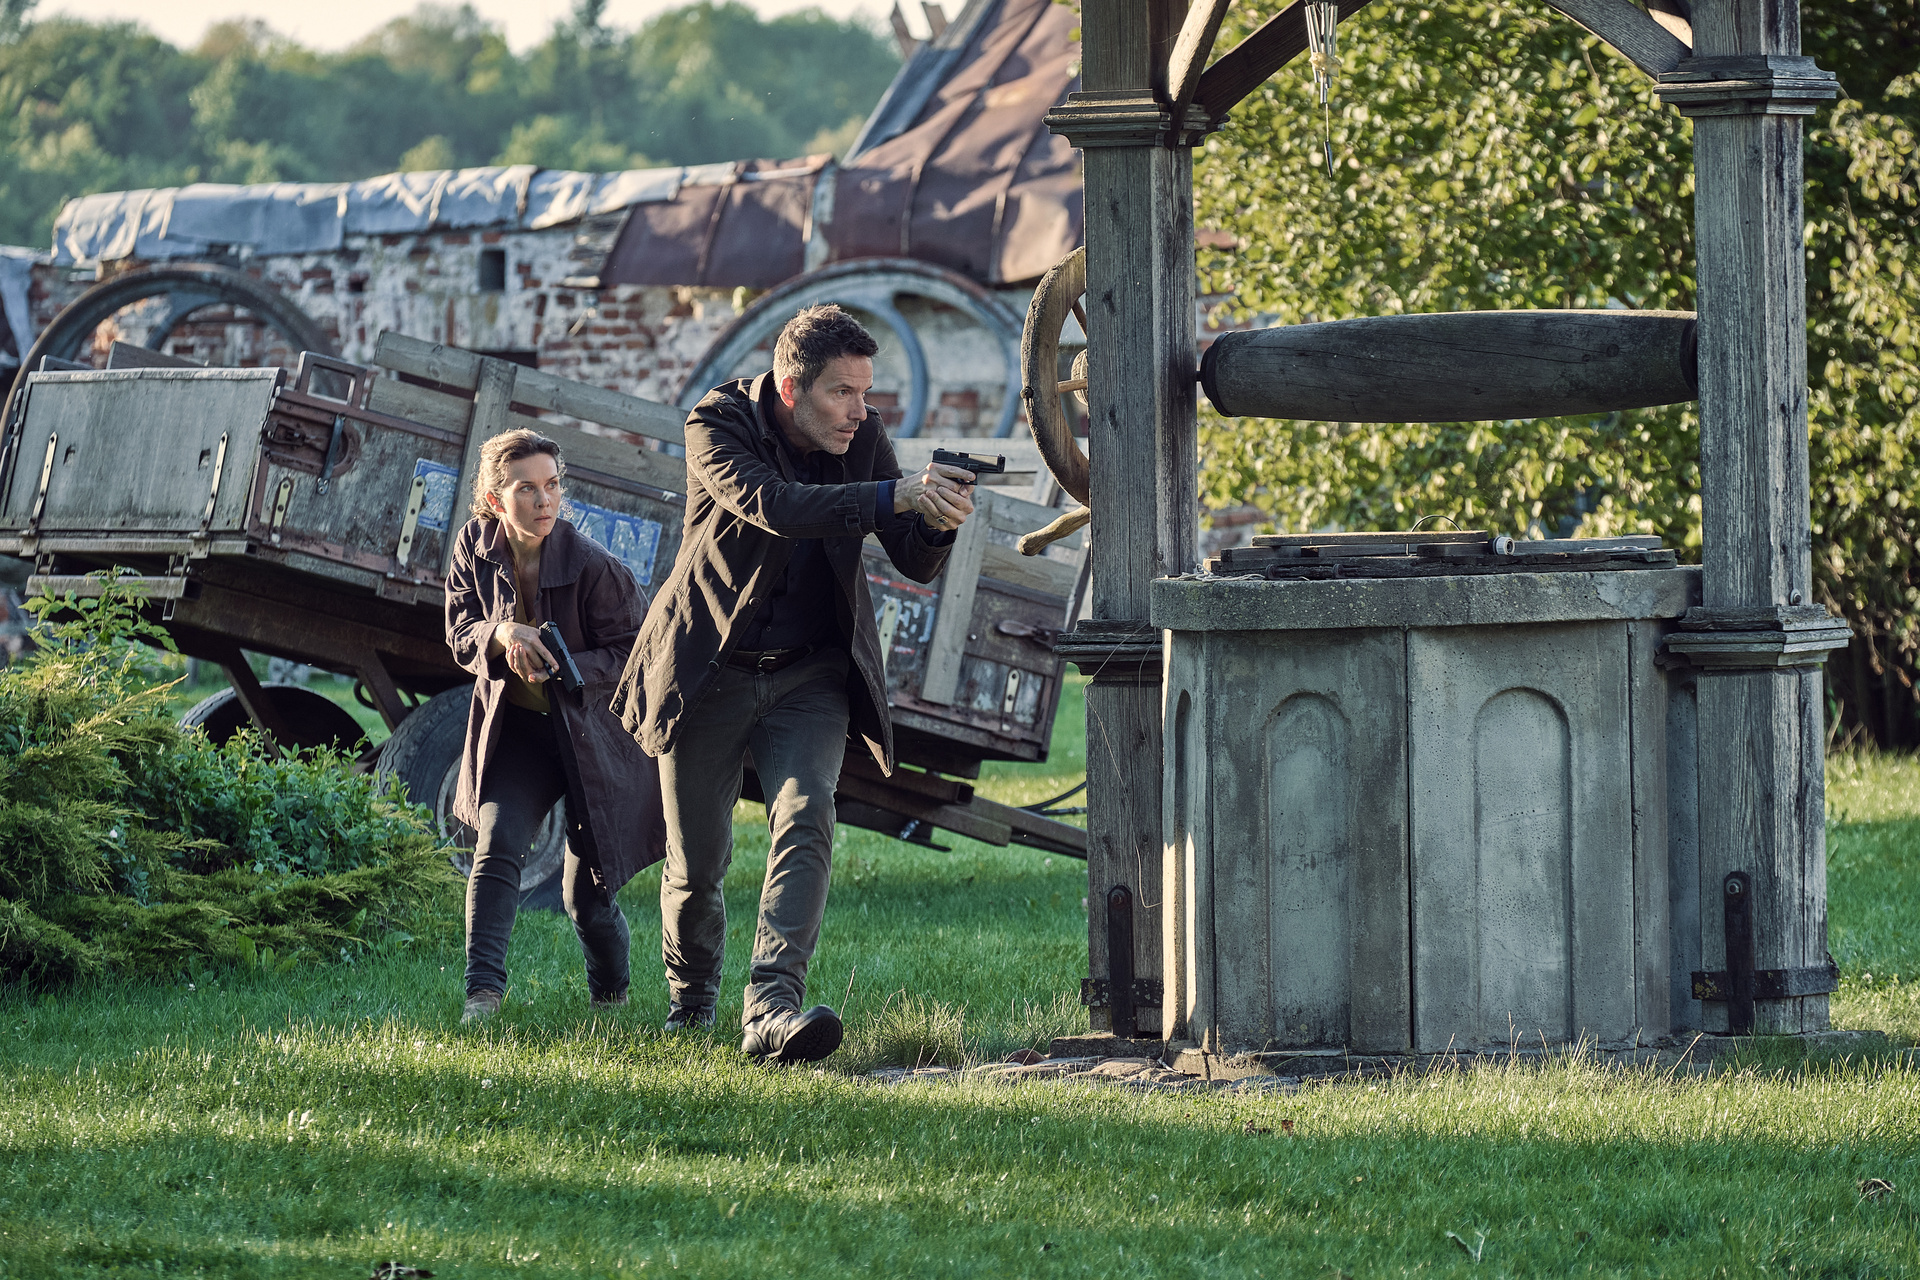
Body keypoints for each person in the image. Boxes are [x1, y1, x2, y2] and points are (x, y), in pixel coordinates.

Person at [612, 304, 977, 1063]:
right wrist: (895, 496)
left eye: (865, 392)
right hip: (708, 667)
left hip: (811, 672)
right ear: (789, 388)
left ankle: (771, 1008)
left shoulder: (862, 438)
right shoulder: (717, 423)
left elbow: (911, 557)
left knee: (809, 814)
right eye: (842, 393)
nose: (860, 411)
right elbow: (773, 506)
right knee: (697, 863)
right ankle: (692, 999)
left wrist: (938, 518)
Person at [445, 428, 667, 1023]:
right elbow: (459, 631)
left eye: (552, 485)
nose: (544, 500)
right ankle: (482, 996)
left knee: (585, 897)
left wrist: (564, 665)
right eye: (526, 488)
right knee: (496, 848)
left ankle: (612, 998)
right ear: (495, 499)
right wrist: (501, 633)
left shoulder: (596, 568)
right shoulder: (473, 547)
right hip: (521, 733)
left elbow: (637, 655)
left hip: (593, 741)